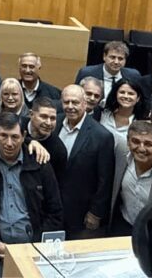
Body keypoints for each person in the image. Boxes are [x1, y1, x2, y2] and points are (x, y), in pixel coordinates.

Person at [0, 112, 63, 277]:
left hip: (32, 246)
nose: (9, 143)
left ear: (24, 136)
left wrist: (33, 246)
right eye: (3, 136)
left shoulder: (40, 163)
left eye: (15, 137)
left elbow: (55, 211)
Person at [56, 84, 115, 239]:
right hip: (52, 207)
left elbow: (105, 180)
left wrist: (96, 212)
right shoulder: (54, 124)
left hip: (80, 210)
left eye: (75, 102)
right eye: (66, 102)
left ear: (84, 104)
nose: (70, 107)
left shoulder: (102, 137)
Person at [74, 41, 141, 99]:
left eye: (120, 59)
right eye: (112, 57)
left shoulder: (134, 76)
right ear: (104, 56)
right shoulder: (87, 73)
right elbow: (75, 95)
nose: (116, 62)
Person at [25, 97, 67, 182]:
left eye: (52, 118)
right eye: (44, 117)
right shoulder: (18, 126)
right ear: (31, 114)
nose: (48, 123)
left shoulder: (58, 150)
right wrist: (29, 141)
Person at [95, 78, 148, 143]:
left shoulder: (142, 123)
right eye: (122, 92)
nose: (126, 96)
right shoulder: (103, 113)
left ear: (138, 98)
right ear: (116, 94)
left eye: (131, 93)